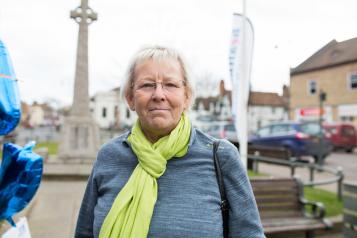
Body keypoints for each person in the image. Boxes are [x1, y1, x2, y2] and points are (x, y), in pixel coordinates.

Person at [75, 46, 265, 238]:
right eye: (147, 85)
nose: (159, 94)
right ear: (130, 98)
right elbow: (84, 233)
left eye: (171, 85)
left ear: (187, 97)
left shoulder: (220, 156)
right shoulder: (109, 156)